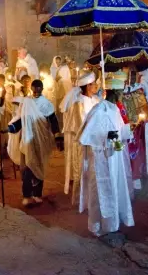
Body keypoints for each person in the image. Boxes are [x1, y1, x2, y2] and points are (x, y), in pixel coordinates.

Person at [77, 98, 135, 238]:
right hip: (100, 160)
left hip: (114, 159)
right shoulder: (98, 110)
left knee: (115, 188)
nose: (121, 95)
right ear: (113, 91)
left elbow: (120, 132)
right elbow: (87, 136)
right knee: (100, 192)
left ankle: (112, 224)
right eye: (119, 92)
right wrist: (106, 136)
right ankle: (97, 225)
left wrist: (129, 128)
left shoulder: (115, 110)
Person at [3, 80, 61, 206]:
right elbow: (20, 121)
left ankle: (37, 194)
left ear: (42, 89)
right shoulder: (27, 103)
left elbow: (53, 121)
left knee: (39, 166)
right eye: (34, 89)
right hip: (28, 140)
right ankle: (27, 195)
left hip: (41, 140)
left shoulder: (47, 104)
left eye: (38, 89)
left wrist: (57, 137)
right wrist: (10, 128)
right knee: (27, 168)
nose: (36, 91)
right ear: (31, 89)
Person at [61, 72, 101, 203]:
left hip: (95, 142)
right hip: (82, 143)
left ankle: (93, 195)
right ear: (88, 86)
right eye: (93, 84)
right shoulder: (78, 104)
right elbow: (80, 126)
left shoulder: (96, 100)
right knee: (81, 170)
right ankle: (80, 198)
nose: (96, 86)